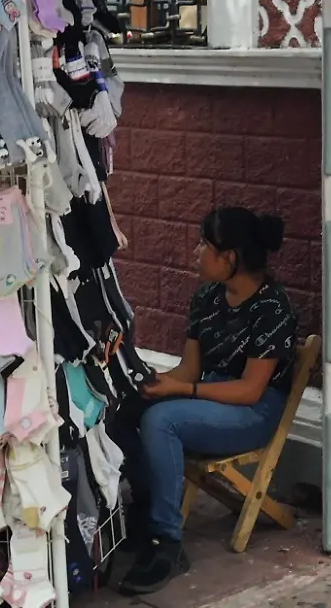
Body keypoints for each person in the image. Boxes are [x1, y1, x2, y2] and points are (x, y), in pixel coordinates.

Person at [112, 207, 298, 595]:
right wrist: (145, 381)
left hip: (253, 412)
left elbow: (250, 390)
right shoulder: (207, 299)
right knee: (122, 407)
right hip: (209, 397)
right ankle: (146, 511)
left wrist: (180, 391)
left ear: (230, 257)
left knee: (163, 420)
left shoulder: (272, 308)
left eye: (204, 244)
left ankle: (168, 543)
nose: (196, 252)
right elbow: (189, 371)